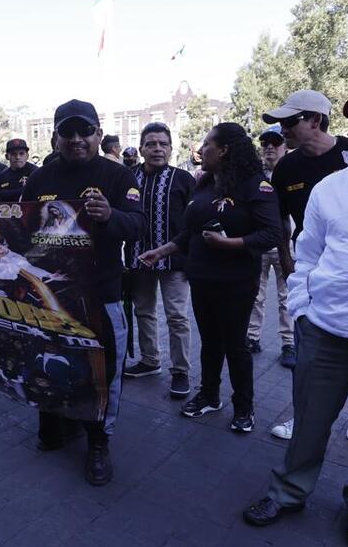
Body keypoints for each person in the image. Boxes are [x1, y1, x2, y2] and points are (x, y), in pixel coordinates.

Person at [243, 83, 348, 547]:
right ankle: (289, 491)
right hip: (326, 328)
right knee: (310, 419)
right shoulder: (330, 187)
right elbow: (306, 253)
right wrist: (301, 310)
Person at [20, 99, 146, 485]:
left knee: (102, 374)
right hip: (52, 295)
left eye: (85, 131)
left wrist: (109, 217)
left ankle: (98, 442)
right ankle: (59, 422)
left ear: (97, 134)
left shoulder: (118, 175)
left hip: (101, 293)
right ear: (56, 137)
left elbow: (138, 225)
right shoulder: (40, 177)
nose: (76, 139)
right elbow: (22, 230)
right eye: (68, 132)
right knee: (50, 363)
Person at [140, 123, 280, 432]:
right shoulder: (204, 185)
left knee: (235, 345)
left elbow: (272, 232)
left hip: (237, 282)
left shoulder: (255, 185)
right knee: (210, 342)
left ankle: (244, 407)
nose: (201, 150)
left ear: (224, 149)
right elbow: (189, 232)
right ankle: (209, 395)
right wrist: (161, 252)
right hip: (202, 279)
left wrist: (230, 244)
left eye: (206, 144)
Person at [122, 122, 195, 399]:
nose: (157, 149)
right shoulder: (127, 178)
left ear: (171, 148)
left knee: (177, 316)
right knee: (144, 311)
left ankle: (181, 370)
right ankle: (150, 360)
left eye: (163, 144)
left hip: (175, 260)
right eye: (151, 144)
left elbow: (194, 222)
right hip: (139, 258)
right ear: (141, 148)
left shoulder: (184, 179)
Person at [262, 89, 348, 290]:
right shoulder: (285, 168)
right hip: (310, 262)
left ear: (315, 120)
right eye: (281, 123)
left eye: (290, 122)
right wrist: (286, 261)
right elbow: (280, 218)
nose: (283, 129)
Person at [247, 125, 293, 360]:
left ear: (285, 147)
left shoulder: (294, 172)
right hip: (260, 245)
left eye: (275, 143)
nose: (269, 148)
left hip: (287, 246)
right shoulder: (255, 177)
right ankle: (253, 337)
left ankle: (288, 343)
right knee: (256, 294)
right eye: (265, 144)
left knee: (287, 297)